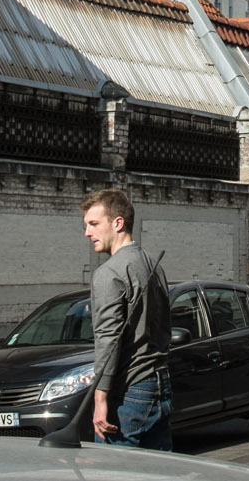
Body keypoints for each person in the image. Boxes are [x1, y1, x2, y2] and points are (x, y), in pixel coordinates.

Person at [81, 188, 172, 449]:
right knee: (160, 471)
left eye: (94, 224)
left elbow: (108, 341)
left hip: (130, 392)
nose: (88, 233)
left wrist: (100, 400)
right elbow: (165, 329)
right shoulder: (153, 266)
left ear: (118, 223)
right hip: (161, 385)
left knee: (117, 471)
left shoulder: (108, 273)